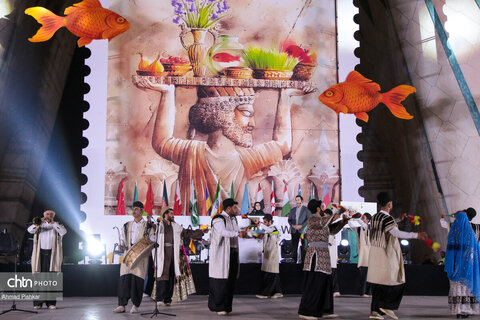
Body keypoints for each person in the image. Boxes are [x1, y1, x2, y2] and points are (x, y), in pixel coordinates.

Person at [135, 79, 313, 213]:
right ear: (222, 114)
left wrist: (285, 97)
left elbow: (283, 145)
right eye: (246, 113)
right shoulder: (191, 152)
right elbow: (161, 142)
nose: (252, 123)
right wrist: (167, 92)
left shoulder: (247, 158)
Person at [367, 192, 427, 320]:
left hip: (374, 253)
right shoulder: (388, 219)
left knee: (377, 283)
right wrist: (416, 235)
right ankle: (387, 306)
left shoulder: (374, 217)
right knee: (396, 279)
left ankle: (374, 311)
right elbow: (396, 233)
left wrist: (399, 219)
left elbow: (386, 224)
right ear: (390, 204)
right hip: (385, 253)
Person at [298, 199, 349, 320]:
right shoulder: (313, 219)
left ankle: (324, 310)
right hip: (315, 256)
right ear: (317, 209)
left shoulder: (321, 221)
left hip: (324, 256)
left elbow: (332, 230)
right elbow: (326, 221)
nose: (322, 209)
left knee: (325, 284)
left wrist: (343, 222)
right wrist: (338, 211)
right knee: (314, 284)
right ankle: (306, 311)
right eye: (321, 207)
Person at [153, 207, 207, 306]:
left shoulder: (176, 226)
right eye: (171, 213)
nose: (173, 215)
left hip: (173, 254)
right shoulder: (158, 226)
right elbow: (151, 238)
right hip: (162, 254)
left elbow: (188, 233)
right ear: (165, 215)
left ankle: (167, 299)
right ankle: (160, 298)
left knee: (171, 276)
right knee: (162, 276)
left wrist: (201, 232)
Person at [113, 201, 155, 314]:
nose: (134, 211)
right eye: (133, 209)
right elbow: (122, 239)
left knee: (137, 279)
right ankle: (122, 305)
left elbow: (152, 239)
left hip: (141, 254)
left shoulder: (148, 226)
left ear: (142, 211)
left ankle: (135, 305)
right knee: (124, 278)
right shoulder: (127, 225)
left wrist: (149, 249)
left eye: (136, 209)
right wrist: (121, 246)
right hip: (128, 252)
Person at [208, 198, 247, 315]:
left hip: (233, 254)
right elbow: (223, 232)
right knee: (220, 281)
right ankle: (219, 307)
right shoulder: (218, 219)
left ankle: (226, 307)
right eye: (235, 207)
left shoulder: (233, 219)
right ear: (228, 208)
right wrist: (238, 233)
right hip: (222, 255)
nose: (237, 210)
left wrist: (251, 234)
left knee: (230, 281)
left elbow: (237, 231)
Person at [27, 210, 67, 310]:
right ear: (43, 215)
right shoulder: (38, 224)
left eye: (51, 214)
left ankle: (51, 303)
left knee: (52, 279)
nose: (48, 216)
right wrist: (38, 222)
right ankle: (38, 303)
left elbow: (63, 232)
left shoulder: (58, 225)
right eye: (47, 214)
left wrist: (53, 223)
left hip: (52, 255)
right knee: (38, 278)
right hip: (39, 254)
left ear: (53, 216)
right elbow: (30, 230)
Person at [445, 211, 480, 318]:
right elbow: (476, 252)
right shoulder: (471, 234)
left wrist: (452, 265)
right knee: (467, 288)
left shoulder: (454, 232)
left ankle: (458, 310)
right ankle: (466, 310)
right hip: (468, 268)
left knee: (457, 288)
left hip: (456, 266)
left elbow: (450, 252)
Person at [256, 214, 283, 299]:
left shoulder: (275, 229)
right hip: (267, 254)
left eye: (265, 222)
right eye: (263, 222)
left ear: (270, 221)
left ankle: (267, 293)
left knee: (272, 273)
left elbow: (271, 231)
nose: (264, 224)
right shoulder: (266, 231)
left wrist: (261, 224)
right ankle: (278, 291)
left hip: (273, 255)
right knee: (270, 273)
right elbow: (259, 237)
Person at [348, 212, 372, 297]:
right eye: (361, 217)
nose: (362, 218)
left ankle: (367, 292)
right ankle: (364, 292)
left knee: (367, 273)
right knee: (363, 273)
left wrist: (356, 216)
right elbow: (350, 225)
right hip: (362, 253)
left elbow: (362, 223)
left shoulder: (368, 227)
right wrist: (348, 217)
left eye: (363, 217)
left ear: (368, 220)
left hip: (368, 253)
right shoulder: (359, 228)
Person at [288, 195, 311, 263]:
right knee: (294, 247)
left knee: (304, 246)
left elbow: (309, 219)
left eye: (298, 200)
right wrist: (293, 225)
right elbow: (289, 220)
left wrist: (301, 226)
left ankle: (305, 261)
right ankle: (294, 261)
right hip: (294, 231)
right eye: (296, 200)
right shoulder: (292, 210)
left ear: (301, 201)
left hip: (303, 231)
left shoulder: (306, 210)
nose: (297, 201)